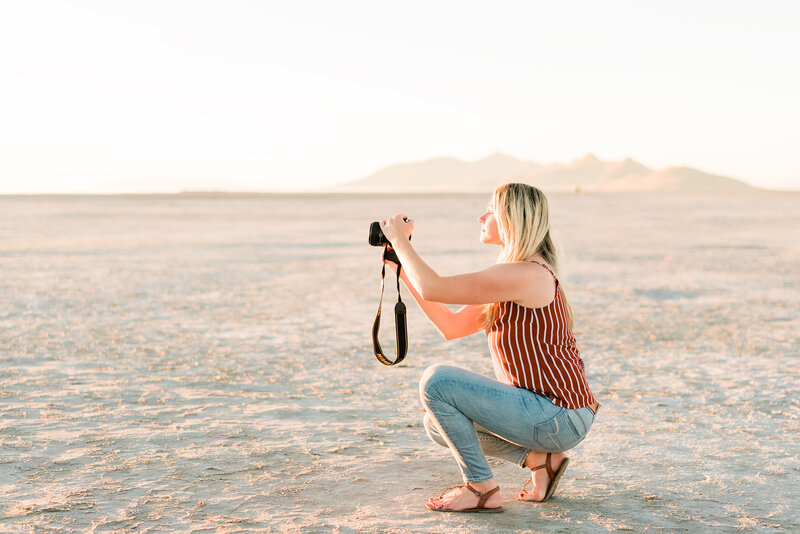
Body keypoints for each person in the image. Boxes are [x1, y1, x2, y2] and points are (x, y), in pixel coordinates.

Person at [379, 182, 599, 513]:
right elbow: (451, 327)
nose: (481, 216)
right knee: (436, 423)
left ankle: (481, 488)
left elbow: (435, 286)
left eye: (491, 211)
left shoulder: (526, 274)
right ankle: (541, 461)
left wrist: (400, 239)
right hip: (550, 414)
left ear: (512, 219)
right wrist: (402, 268)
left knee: (437, 381)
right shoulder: (515, 275)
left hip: (558, 415)